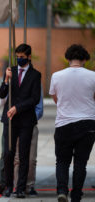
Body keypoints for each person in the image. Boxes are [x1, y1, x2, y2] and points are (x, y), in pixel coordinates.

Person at [49, 44, 95, 202]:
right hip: (87, 123)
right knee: (81, 163)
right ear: (84, 59)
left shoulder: (56, 76)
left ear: (68, 58)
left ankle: (62, 190)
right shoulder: (93, 76)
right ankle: (76, 195)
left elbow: (56, 99)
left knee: (62, 161)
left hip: (64, 123)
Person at [0, 43, 41, 198]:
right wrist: (6, 80)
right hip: (10, 119)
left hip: (26, 120)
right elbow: (2, 94)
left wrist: (18, 107)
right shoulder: (11, 71)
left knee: (23, 155)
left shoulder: (35, 75)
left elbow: (35, 98)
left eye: (22, 57)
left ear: (29, 57)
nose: (19, 59)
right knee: (8, 154)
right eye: (17, 57)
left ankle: (21, 187)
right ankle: (9, 186)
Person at [0, 89, 43, 196]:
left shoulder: (33, 78)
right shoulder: (9, 79)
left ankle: (27, 186)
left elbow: (39, 108)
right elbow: (3, 100)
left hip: (28, 124)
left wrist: (28, 120)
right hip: (11, 123)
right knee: (8, 155)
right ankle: (9, 185)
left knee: (29, 158)